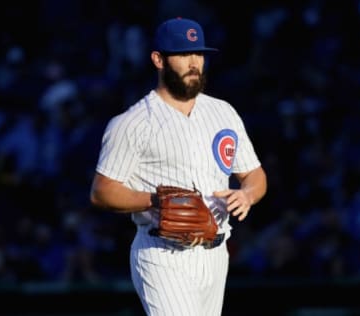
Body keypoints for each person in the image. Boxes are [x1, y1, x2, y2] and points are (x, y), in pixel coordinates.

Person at [90, 17, 267, 316]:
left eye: (199, 53)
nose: (194, 62)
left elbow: (254, 174)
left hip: (216, 254)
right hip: (163, 253)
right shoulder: (132, 123)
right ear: (159, 59)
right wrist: (154, 200)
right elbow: (101, 192)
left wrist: (247, 194)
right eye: (184, 54)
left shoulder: (223, 112)